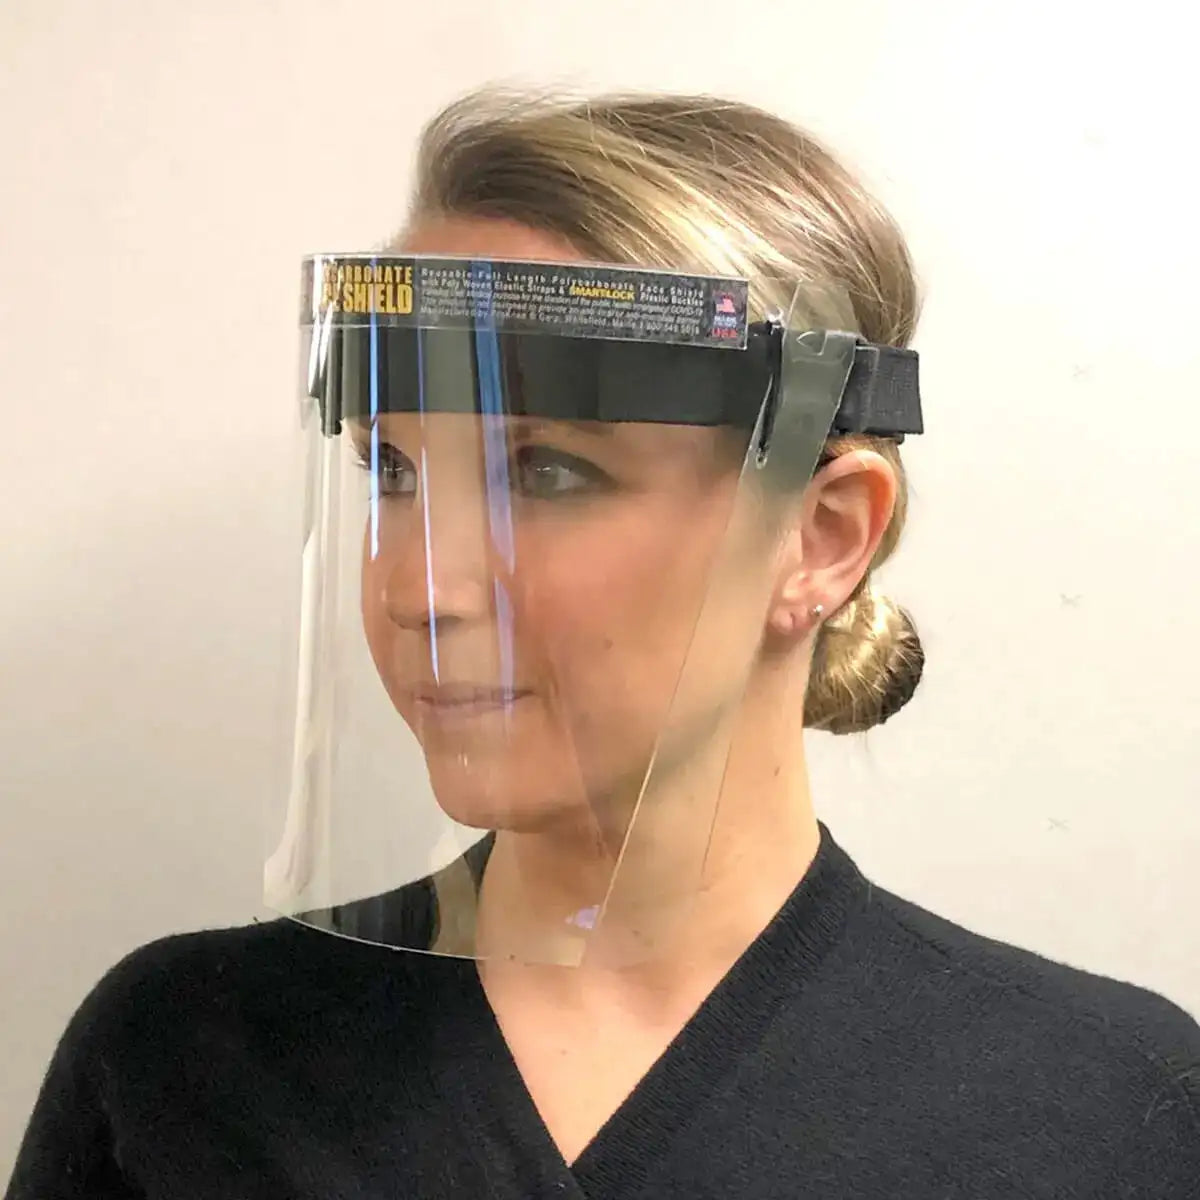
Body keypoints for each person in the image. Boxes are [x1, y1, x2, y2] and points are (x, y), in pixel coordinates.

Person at [7, 89, 1199, 1199]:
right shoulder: (187, 1059)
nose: (421, 588)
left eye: (547, 472)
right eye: (392, 469)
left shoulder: (1104, 1115)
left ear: (820, 537)